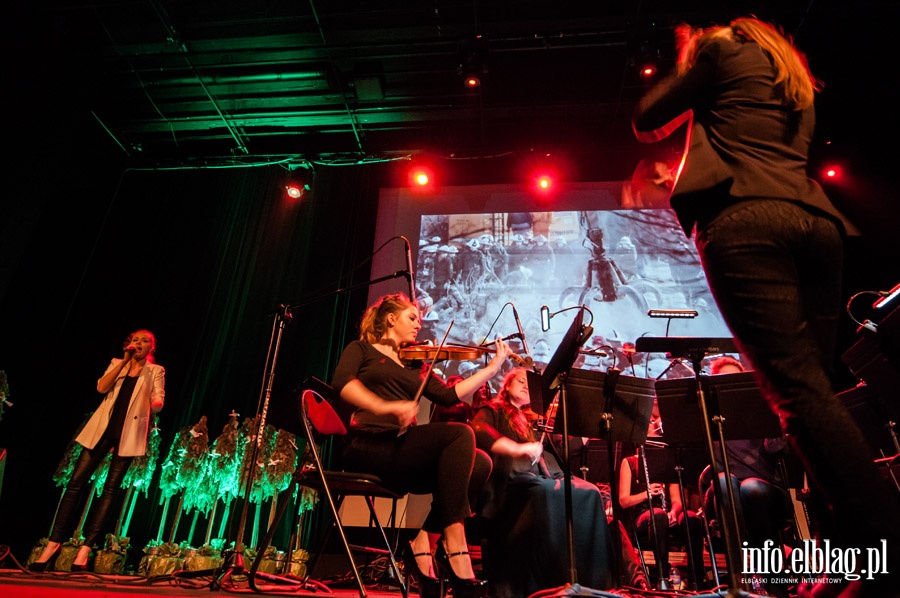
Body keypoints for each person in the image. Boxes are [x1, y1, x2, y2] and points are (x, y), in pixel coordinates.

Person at [631, 16, 900, 595]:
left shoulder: (721, 48)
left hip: (747, 225)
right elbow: (749, 146)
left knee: (799, 399)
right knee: (813, 399)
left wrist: (690, 59)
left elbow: (648, 116)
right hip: (813, 225)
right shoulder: (792, 79)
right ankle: (853, 562)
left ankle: (885, 547)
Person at [331, 293, 512, 598]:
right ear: (391, 319)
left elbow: (450, 397)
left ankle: (422, 542)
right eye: (412, 318)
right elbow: (342, 383)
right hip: (367, 447)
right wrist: (386, 407)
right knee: (459, 435)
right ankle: (455, 545)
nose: (419, 324)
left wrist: (493, 368)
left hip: (400, 452)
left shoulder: (413, 365)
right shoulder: (361, 349)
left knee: (481, 463)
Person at [471, 367, 633, 597]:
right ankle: (548, 578)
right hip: (508, 484)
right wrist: (517, 448)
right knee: (547, 492)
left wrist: (585, 430)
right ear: (506, 385)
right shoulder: (492, 409)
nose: (527, 386)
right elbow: (480, 433)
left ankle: (594, 580)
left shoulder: (527, 421)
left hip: (534, 478)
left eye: (530, 384)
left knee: (589, 492)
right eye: (520, 381)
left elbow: (555, 455)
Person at [29, 329, 165, 572]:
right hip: (101, 429)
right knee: (75, 483)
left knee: (110, 489)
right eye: (136, 340)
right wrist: (123, 361)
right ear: (129, 344)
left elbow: (159, 400)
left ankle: (85, 549)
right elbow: (102, 388)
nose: (139, 343)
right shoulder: (117, 363)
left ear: (151, 348)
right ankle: (53, 543)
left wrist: (153, 402)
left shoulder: (155, 371)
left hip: (128, 432)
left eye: (145, 341)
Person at [619, 441, 706, 589]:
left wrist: (673, 512)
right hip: (641, 517)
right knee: (658, 515)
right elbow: (624, 501)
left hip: (666, 515)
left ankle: (696, 580)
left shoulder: (666, 461)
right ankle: (662, 577)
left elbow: (677, 500)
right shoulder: (629, 462)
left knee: (691, 518)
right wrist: (647, 494)